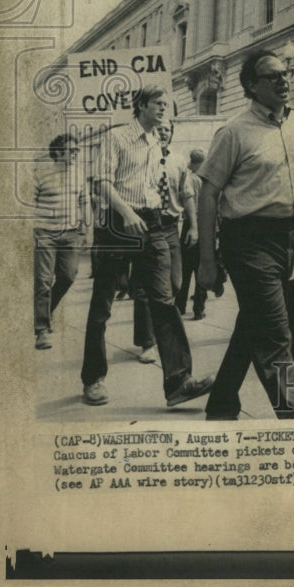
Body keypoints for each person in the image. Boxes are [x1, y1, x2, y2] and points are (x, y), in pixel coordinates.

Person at [197, 51, 294, 420]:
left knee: (255, 323)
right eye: (273, 77)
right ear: (252, 86)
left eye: (286, 73)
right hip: (248, 241)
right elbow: (208, 194)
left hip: (288, 238)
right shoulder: (234, 132)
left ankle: (221, 404)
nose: (284, 81)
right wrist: (206, 260)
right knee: (275, 334)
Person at [80, 85, 214, 408]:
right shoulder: (117, 138)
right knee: (103, 304)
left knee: (163, 299)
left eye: (165, 105)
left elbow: (156, 186)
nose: (163, 109)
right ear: (141, 106)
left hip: (152, 224)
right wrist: (125, 212)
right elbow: (101, 180)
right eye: (158, 104)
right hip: (117, 224)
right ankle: (93, 379)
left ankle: (179, 382)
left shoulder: (158, 142)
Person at [133, 120, 198, 361]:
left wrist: (193, 226)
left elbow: (187, 193)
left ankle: (159, 333)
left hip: (170, 226)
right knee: (144, 286)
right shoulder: (139, 159)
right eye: (158, 128)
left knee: (175, 283)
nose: (163, 132)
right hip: (146, 225)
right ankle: (148, 343)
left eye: (167, 129)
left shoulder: (178, 160)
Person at [33, 134, 87, 350]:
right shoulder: (40, 173)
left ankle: (45, 311)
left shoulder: (79, 173)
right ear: (57, 152)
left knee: (68, 276)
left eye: (76, 150)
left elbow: (84, 201)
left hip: (70, 234)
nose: (75, 154)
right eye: (71, 150)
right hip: (45, 234)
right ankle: (42, 330)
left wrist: (85, 229)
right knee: (44, 281)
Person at [176, 149, 207, 319]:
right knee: (201, 269)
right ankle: (199, 308)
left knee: (185, 269)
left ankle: (180, 306)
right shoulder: (207, 180)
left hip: (189, 224)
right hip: (205, 225)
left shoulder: (189, 179)